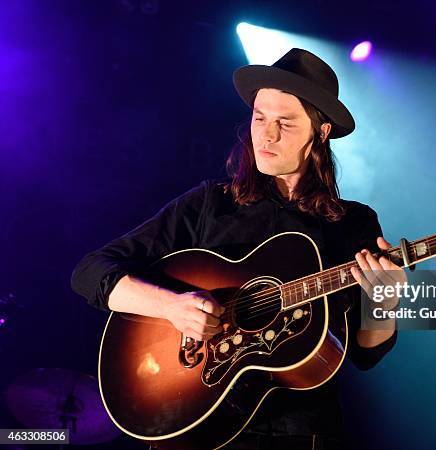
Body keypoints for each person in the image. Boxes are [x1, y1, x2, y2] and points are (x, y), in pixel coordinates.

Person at [72, 48, 404, 450]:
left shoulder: (353, 224)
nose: (266, 134)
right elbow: (90, 272)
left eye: (285, 122)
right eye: (259, 117)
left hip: (299, 433)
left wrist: (384, 301)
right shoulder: (209, 203)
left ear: (321, 131)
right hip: (193, 426)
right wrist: (171, 307)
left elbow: (364, 355)